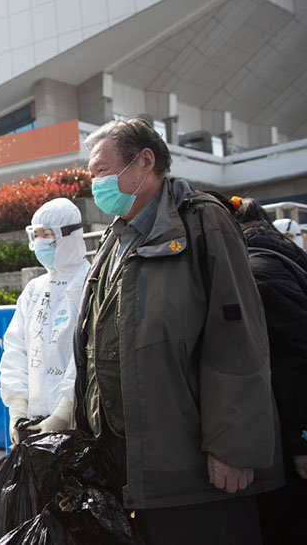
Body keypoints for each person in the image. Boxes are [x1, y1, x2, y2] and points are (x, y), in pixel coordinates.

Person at [73, 117, 282, 545]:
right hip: (134, 465)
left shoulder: (202, 223)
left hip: (195, 468)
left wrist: (232, 447)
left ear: (144, 161)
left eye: (100, 170)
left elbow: (238, 338)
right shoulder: (116, 239)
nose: (94, 184)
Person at [231, 197, 307, 544]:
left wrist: (300, 439)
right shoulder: (282, 255)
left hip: (288, 435)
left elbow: (292, 360)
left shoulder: (258, 273)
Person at [0, 198, 90, 445]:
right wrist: (17, 409)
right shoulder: (34, 289)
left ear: (69, 235)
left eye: (47, 235)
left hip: (77, 421)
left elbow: (86, 354)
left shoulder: (89, 284)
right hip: (34, 420)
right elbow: (16, 348)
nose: (41, 243)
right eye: (36, 236)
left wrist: (62, 413)